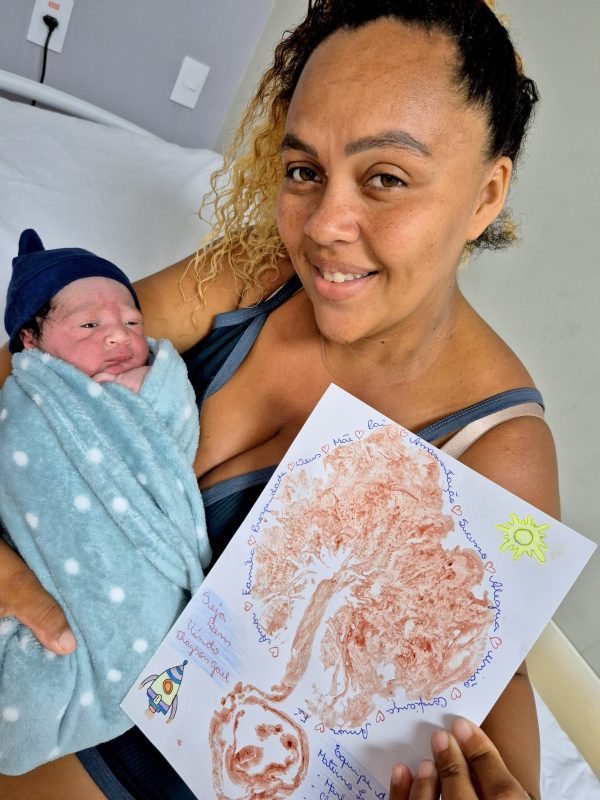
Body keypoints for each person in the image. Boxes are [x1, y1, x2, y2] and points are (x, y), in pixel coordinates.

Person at [0, 0, 559, 797]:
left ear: (485, 195)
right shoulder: (256, 275)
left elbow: (495, 688)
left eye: (386, 178)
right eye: (304, 171)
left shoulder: (497, 448)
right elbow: (29, 370)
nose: (324, 225)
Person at [0, 229, 210, 775]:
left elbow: (169, 442)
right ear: (31, 342)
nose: (119, 335)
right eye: (89, 326)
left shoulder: (158, 383)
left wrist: (146, 394)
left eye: (133, 324)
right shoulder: (28, 399)